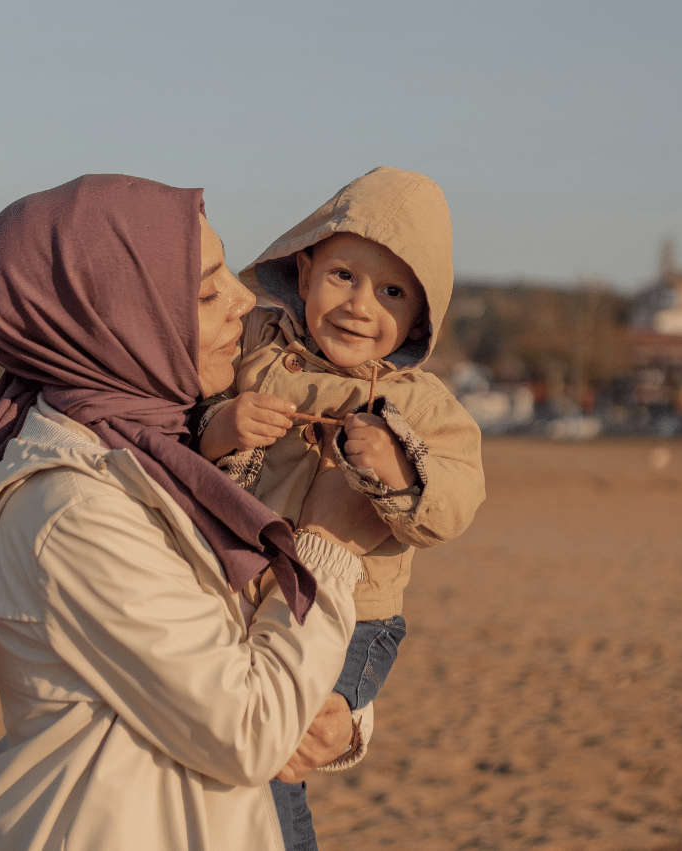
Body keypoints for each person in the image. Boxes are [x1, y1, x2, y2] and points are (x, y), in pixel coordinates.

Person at [0, 174, 390, 850]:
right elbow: (248, 726)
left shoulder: (161, 452)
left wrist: (344, 713)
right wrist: (328, 543)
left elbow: (238, 651)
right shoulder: (71, 509)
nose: (242, 298)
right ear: (117, 317)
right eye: (205, 289)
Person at [191, 166, 487, 842]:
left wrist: (399, 471)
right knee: (249, 747)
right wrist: (222, 427)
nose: (360, 305)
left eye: (391, 292)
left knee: (281, 757)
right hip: (246, 594)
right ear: (302, 273)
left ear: (421, 314)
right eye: (343, 276)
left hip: (355, 616)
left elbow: (458, 499)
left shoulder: (416, 403)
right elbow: (191, 423)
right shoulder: (259, 343)